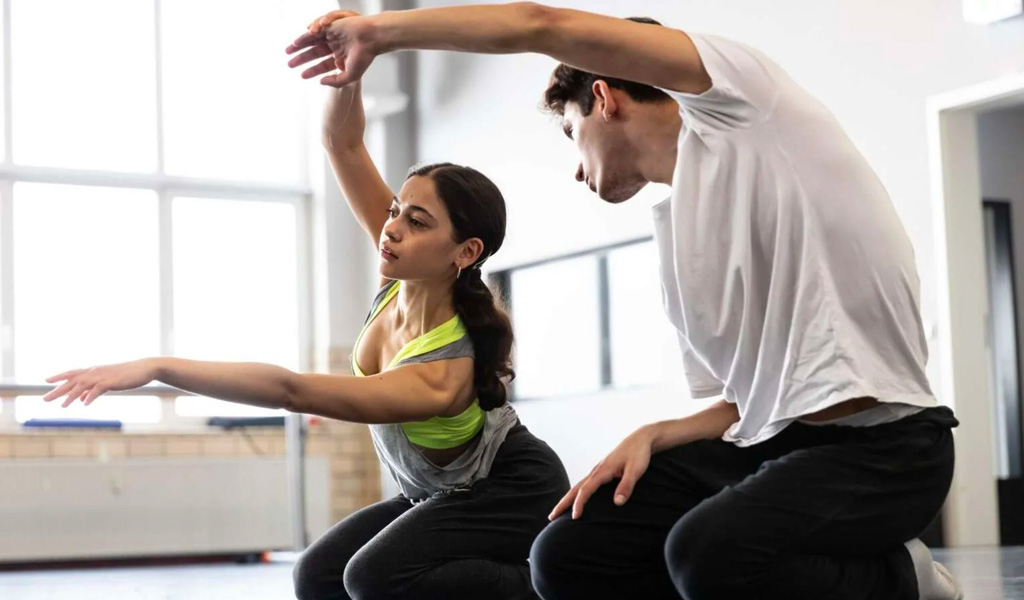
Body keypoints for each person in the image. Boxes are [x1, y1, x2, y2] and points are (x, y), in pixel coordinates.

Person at [285, 5, 962, 600]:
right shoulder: (679, 243)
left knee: (704, 553)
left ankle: (897, 578)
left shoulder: (748, 105)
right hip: (774, 445)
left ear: (604, 97)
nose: (577, 168)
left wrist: (379, 32)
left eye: (571, 136)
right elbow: (740, 405)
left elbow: (539, 24)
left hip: (885, 446)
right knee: (570, 553)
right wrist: (653, 433)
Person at [44, 78, 568, 600]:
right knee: (317, 575)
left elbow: (290, 391)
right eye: (394, 211)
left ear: (465, 251)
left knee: (372, 577)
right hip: (438, 492)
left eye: (417, 220)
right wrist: (350, 72)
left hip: (511, 489)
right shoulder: (400, 274)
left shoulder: (442, 375)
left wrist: (161, 367)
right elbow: (342, 143)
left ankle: (536, 589)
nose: (392, 228)